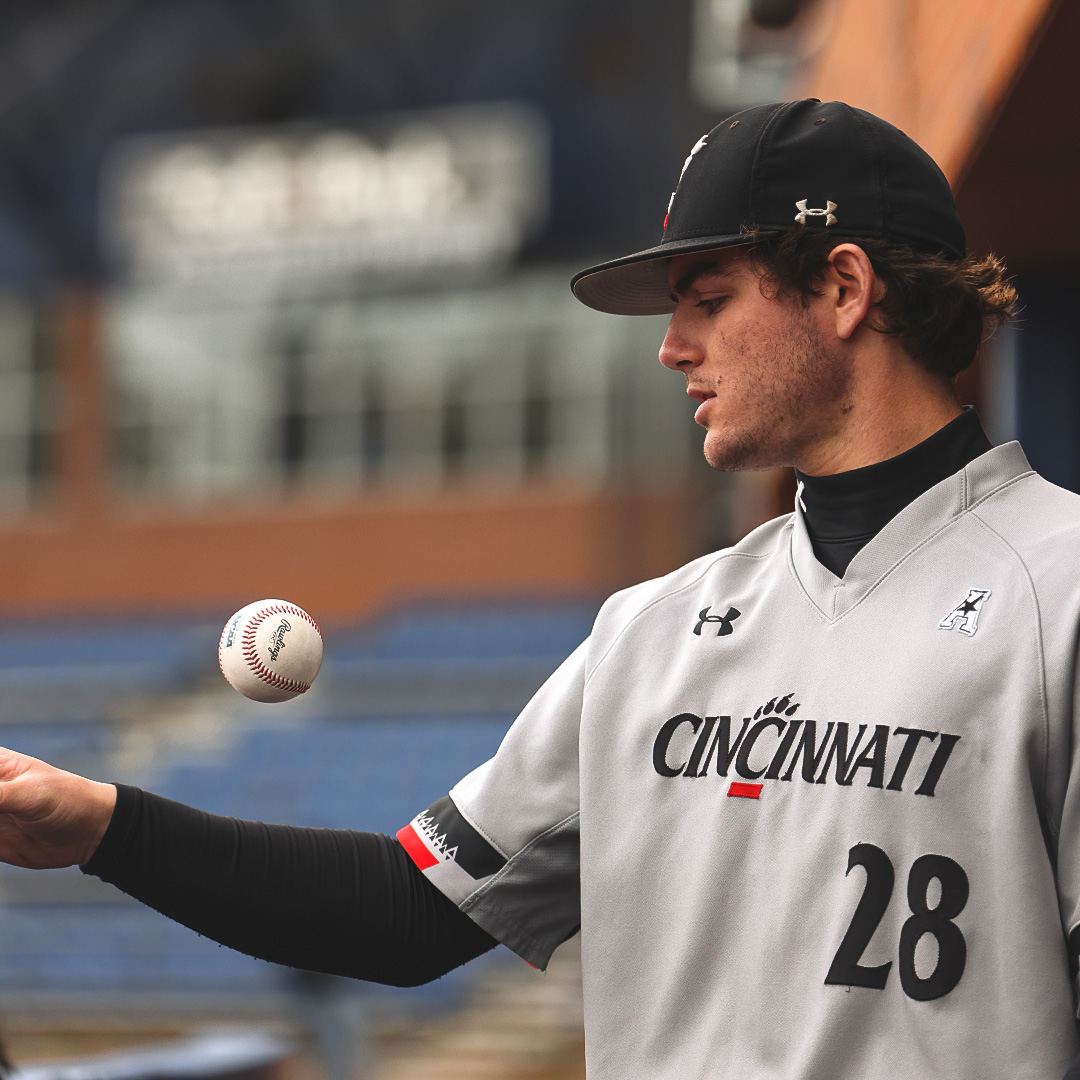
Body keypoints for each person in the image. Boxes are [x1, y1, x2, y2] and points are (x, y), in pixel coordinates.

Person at [0, 98, 1075, 1079]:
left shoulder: (1061, 588)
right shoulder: (650, 633)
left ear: (844, 288)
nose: (670, 347)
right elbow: (409, 915)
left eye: (708, 298)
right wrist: (99, 825)